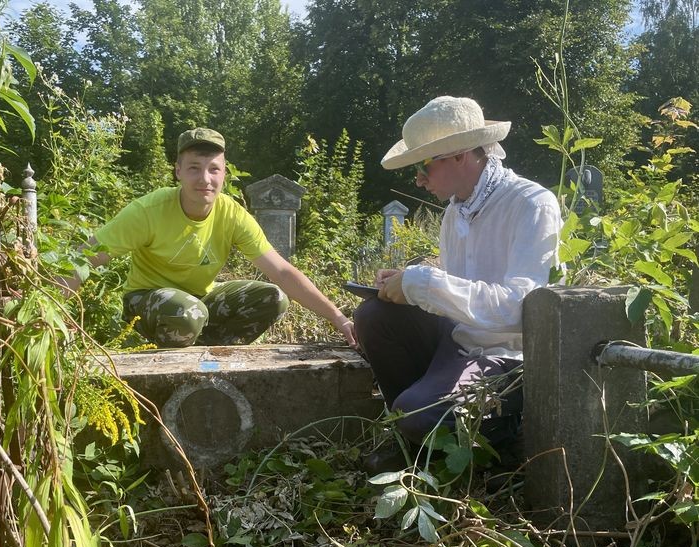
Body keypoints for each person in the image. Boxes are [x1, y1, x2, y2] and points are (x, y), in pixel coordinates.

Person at [355, 96, 562, 473]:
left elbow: (519, 308)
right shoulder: (455, 212)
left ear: (460, 155)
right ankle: (416, 432)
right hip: (459, 343)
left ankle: (501, 437)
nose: (419, 179)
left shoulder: (532, 203)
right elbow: (459, 293)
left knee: (417, 414)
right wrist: (407, 285)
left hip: (507, 357)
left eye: (424, 166)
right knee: (374, 314)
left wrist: (423, 283)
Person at [62, 127, 356, 348]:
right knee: (189, 313)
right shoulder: (148, 211)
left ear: (224, 173)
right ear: (178, 171)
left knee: (273, 298)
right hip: (147, 304)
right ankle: (170, 368)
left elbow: (281, 271)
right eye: (194, 168)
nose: (205, 179)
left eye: (213, 169)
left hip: (200, 301)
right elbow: (87, 256)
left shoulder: (231, 213)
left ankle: (214, 358)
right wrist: (52, 309)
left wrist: (338, 318)